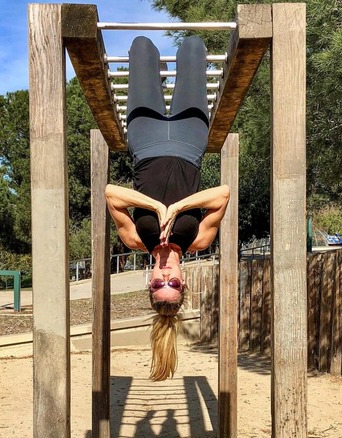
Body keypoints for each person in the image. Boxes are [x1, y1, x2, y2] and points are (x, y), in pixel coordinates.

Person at [105, 36, 230, 381]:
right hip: (191, 140)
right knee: (192, 47)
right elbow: (222, 194)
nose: (164, 277)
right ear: (182, 279)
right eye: (172, 283)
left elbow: (111, 193)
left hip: (144, 140)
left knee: (142, 47)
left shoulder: (135, 240)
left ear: (149, 281)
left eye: (158, 283)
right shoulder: (198, 241)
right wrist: (179, 207)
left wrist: (156, 206)